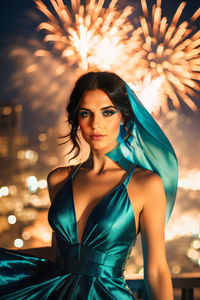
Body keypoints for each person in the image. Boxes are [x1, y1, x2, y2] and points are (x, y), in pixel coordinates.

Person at [0, 71, 178, 300]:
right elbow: (58, 253)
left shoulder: (146, 184)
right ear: (76, 118)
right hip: (54, 293)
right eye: (86, 114)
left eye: (108, 112)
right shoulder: (58, 180)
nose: (96, 124)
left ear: (123, 116)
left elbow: (156, 270)